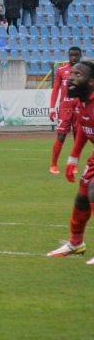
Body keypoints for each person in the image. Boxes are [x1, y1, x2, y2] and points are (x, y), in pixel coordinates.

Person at [53, 60, 94, 259]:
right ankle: (76, 244)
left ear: (92, 82)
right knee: (82, 198)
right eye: (72, 74)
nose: (70, 78)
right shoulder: (81, 102)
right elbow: (85, 130)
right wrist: (73, 158)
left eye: (78, 75)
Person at [48, 47, 84, 175]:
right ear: (68, 56)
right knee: (61, 136)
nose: (73, 57)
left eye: (76, 55)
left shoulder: (85, 71)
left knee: (78, 137)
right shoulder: (61, 70)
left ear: (81, 55)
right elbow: (56, 89)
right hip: (65, 107)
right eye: (71, 55)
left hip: (80, 107)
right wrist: (52, 108)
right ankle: (53, 165)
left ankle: (73, 166)